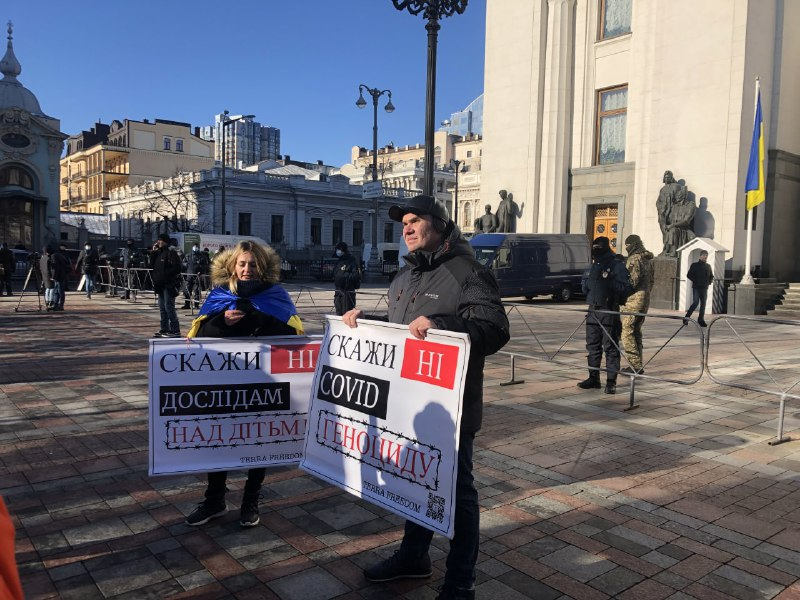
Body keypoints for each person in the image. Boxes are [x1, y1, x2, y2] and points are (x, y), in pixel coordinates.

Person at [343, 194, 510, 600]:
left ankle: (460, 582)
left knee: (458, 492)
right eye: (403, 224)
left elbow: (494, 329)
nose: (407, 228)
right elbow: (403, 332)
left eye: (415, 221)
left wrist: (441, 324)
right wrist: (367, 322)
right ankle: (414, 557)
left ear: (439, 224)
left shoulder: (468, 272)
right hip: (407, 405)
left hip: (451, 408)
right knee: (414, 481)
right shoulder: (404, 277)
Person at [184, 241, 304, 527]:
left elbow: (294, 338)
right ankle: (215, 500)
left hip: (262, 383)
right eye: (242, 264)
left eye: (253, 264)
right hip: (223, 384)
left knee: (257, 440)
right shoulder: (220, 294)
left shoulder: (276, 295)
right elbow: (199, 335)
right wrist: (223, 322)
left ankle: (251, 500)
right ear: (232, 266)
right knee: (219, 439)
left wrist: (260, 318)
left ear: (262, 267)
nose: (247, 269)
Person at [579, 236, 633, 395]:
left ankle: (611, 382)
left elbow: (627, 289)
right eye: (594, 247)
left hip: (609, 311)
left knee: (610, 347)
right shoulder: (593, 265)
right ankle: (593, 378)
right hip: (592, 311)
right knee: (592, 346)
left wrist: (609, 281)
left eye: (599, 247)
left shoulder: (616, 265)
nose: (596, 250)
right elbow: (585, 287)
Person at [619, 235, 654, 375]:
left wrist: (620, 293)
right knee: (636, 332)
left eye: (627, 245)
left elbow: (631, 281)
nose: (626, 248)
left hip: (633, 302)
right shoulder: (648, 259)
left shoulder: (634, 258)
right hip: (644, 300)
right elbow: (651, 281)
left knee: (627, 332)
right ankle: (638, 364)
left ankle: (634, 365)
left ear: (633, 245)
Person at [150, 233, 182, 337]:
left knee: (169, 307)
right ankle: (164, 328)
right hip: (160, 285)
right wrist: (153, 253)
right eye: (158, 240)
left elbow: (177, 268)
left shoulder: (171, 253)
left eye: (160, 240)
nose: (158, 242)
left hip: (168, 284)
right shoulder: (158, 253)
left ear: (165, 242)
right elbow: (151, 266)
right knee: (162, 308)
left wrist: (165, 274)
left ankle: (175, 329)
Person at [664, 187, 697, 257]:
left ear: (683, 196)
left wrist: (673, 225)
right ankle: (672, 250)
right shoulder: (675, 206)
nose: (676, 197)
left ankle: (675, 252)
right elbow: (670, 219)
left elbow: (686, 221)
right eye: (676, 195)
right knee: (672, 230)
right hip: (675, 229)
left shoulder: (691, 205)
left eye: (678, 195)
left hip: (686, 229)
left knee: (692, 238)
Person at [684, 250, 713, 327]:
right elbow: (689, 275)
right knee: (695, 303)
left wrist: (709, 282)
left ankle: (701, 320)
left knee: (703, 304)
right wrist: (696, 281)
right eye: (704, 255)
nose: (705, 257)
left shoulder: (708, 266)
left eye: (706, 255)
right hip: (696, 287)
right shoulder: (695, 265)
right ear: (700, 256)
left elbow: (711, 276)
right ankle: (686, 318)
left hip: (704, 288)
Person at [332, 241, 360, 316]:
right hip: (338, 292)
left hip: (348, 293)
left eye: (338, 249)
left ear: (343, 250)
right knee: (339, 314)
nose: (337, 251)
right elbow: (335, 274)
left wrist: (343, 275)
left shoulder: (351, 261)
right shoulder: (339, 261)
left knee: (347, 314)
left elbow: (356, 276)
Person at [656, 170, 681, 252]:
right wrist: (660, 208)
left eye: (668, 177)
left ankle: (671, 249)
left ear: (671, 178)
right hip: (663, 213)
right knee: (664, 230)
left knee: (671, 230)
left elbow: (679, 198)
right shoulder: (662, 189)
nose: (667, 179)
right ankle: (665, 247)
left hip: (672, 212)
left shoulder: (676, 187)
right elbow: (658, 201)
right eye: (665, 177)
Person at [182, 243, 209, 309]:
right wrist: (187, 266)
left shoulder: (202, 256)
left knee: (197, 291)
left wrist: (200, 269)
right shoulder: (188, 255)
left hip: (197, 276)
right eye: (194, 246)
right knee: (187, 290)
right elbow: (183, 263)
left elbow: (205, 265)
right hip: (189, 275)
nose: (195, 247)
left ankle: (196, 305)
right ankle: (187, 304)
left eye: (197, 246)